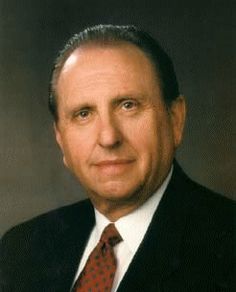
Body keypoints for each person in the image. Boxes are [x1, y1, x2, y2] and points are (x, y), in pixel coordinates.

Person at [0, 25, 235, 292]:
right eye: (84, 113)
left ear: (175, 120)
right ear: (60, 139)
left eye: (128, 105)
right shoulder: (21, 250)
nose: (109, 137)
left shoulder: (228, 247)